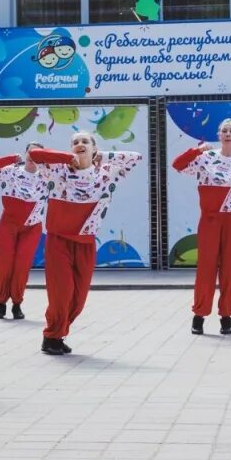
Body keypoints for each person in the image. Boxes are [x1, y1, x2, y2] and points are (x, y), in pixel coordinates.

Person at [28, 135, 142, 356]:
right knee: (62, 293)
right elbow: (34, 154)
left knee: (78, 299)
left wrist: (103, 156)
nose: (79, 145)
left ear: (94, 148)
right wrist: (67, 157)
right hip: (58, 240)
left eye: (85, 142)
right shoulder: (58, 170)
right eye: (75, 142)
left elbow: (135, 158)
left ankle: (58, 334)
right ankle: (51, 336)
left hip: (86, 241)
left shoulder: (107, 171)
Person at [171, 119, 231, 336]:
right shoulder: (206, 157)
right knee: (206, 266)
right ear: (219, 134)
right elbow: (177, 164)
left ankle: (226, 315)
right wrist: (197, 149)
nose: (228, 134)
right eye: (224, 130)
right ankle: (199, 314)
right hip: (210, 219)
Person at [0, 144, 53, 322]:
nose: (33, 156)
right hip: (8, 224)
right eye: (30, 152)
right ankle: (1, 303)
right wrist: (10, 158)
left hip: (32, 227)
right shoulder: (11, 171)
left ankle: (17, 303)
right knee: (4, 262)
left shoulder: (49, 177)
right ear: (25, 154)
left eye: (38, 153)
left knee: (22, 264)